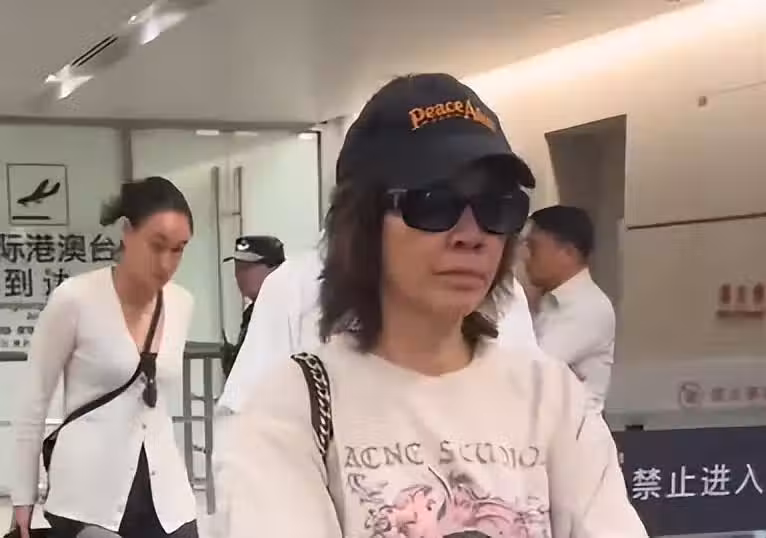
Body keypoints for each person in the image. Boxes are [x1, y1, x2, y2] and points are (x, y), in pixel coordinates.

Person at [213, 73, 645, 537]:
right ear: (362, 222)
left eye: (496, 207)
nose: (471, 235)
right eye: (434, 203)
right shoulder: (294, 406)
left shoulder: (551, 398)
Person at [12, 176, 199, 538]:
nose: (166, 263)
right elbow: (34, 400)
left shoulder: (182, 303)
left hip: (167, 495)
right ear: (127, 231)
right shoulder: (75, 298)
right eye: (157, 245)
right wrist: (23, 496)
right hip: (86, 496)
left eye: (178, 249)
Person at [524, 205, 616, 412]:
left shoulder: (588, 307)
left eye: (533, 248)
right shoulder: (551, 303)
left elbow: (530, 368)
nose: (526, 257)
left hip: (575, 429)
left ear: (568, 253)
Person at [220, 235, 285, 378]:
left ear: (274, 268)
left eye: (247, 268)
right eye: (237, 268)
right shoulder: (253, 311)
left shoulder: (287, 311)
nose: (239, 275)